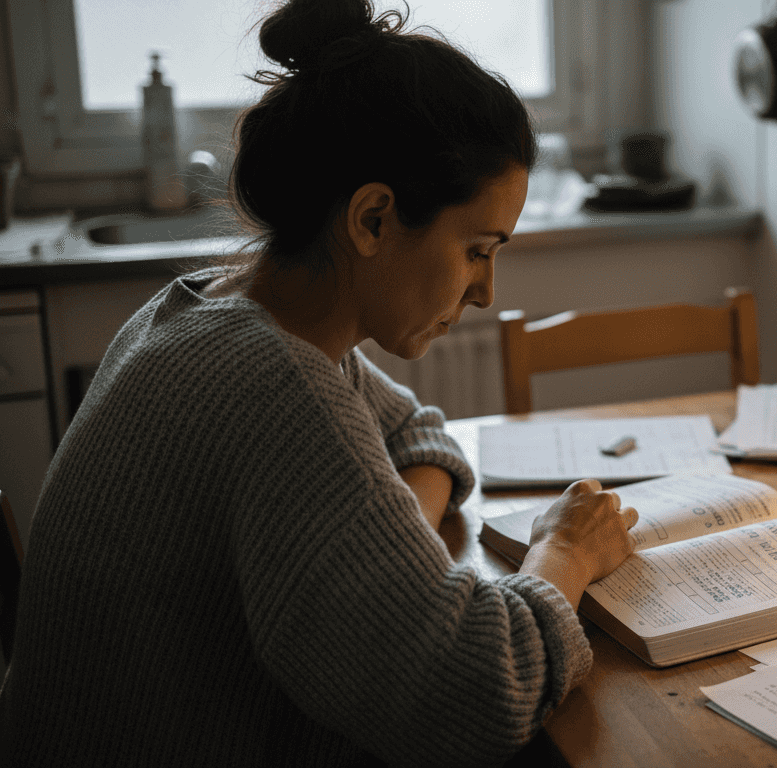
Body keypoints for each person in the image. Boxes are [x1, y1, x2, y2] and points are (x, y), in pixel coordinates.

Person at [0, 1, 638, 765]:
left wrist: (379, 527)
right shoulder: (272, 385)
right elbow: (478, 692)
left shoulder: (212, 308)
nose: (486, 292)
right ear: (372, 219)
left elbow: (415, 433)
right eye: (476, 249)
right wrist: (564, 550)